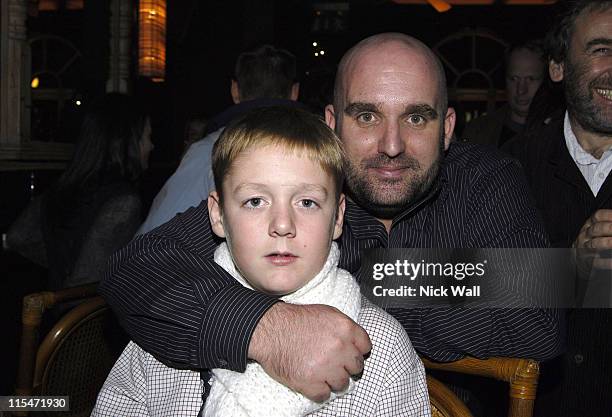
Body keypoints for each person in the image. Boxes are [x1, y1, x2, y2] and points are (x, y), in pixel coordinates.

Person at [101, 33, 561, 402]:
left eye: (417, 118)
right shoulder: (300, 186)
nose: (392, 145)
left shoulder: (487, 179)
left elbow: (538, 316)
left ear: (447, 128)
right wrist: (264, 328)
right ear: (331, 122)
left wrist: (365, 283)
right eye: (366, 116)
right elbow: (136, 266)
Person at [93, 106, 430, 417]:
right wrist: (258, 325)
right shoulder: (164, 333)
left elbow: (470, 291)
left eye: (307, 203)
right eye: (256, 201)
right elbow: (135, 262)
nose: (282, 224)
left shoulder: (384, 349)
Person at [505, 2, 612, 416]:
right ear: (558, 67)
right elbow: (472, 289)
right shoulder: (511, 166)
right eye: (601, 49)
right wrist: (569, 268)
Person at [137, 44, 303, 234]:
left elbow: (153, 239)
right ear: (294, 92)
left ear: (234, 90)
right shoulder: (317, 151)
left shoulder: (208, 151)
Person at [7, 93, 152, 290]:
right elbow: (84, 283)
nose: (152, 146)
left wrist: (61, 262)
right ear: (126, 141)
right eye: (148, 137)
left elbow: (18, 236)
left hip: (56, 315)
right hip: (85, 318)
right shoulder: (124, 203)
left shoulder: (65, 186)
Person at [463, 40, 546, 148]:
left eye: (530, 79)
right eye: (514, 79)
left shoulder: (561, 134)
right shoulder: (477, 132)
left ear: (545, 81)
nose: (521, 90)